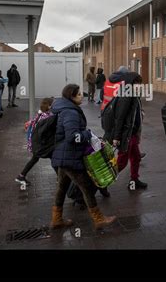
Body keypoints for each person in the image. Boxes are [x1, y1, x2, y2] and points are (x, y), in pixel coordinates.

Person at [50, 84, 116, 230]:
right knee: (86, 187)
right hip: (70, 157)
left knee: (61, 187)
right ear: (71, 96)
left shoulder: (65, 109)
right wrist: (87, 134)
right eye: (79, 94)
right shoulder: (71, 112)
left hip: (63, 156)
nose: (82, 95)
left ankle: (56, 219)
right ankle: (98, 219)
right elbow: (73, 137)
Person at [103, 71, 148, 190]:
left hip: (131, 133)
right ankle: (103, 182)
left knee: (136, 157)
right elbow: (120, 118)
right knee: (122, 162)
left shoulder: (132, 94)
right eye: (137, 83)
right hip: (126, 135)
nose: (139, 85)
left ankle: (134, 180)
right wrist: (117, 137)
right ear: (130, 83)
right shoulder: (126, 96)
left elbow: (132, 113)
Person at [15, 97, 54, 186]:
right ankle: (60, 178)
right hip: (40, 144)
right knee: (53, 157)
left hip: (36, 143)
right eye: (53, 105)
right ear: (49, 106)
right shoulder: (47, 117)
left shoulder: (41, 115)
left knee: (36, 158)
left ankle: (21, 176)